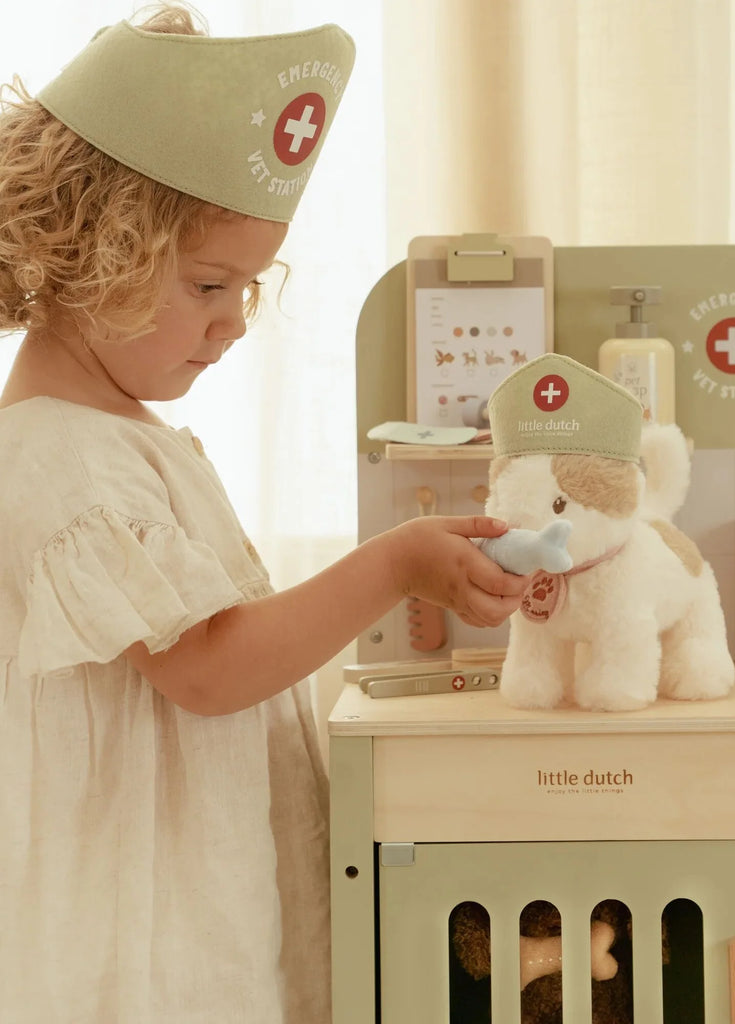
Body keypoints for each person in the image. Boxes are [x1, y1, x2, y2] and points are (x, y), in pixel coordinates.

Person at [0, 6, 527, 1022]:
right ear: (94, 253)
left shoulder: (114, 438)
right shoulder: (64, 460)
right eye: (210, 285)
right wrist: (394, 565)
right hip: (142, 931)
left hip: (185, 891)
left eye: (246, 288)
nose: (234, 323)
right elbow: (209, 666)